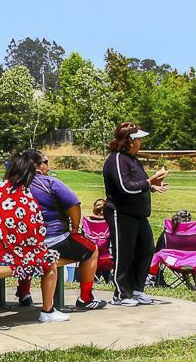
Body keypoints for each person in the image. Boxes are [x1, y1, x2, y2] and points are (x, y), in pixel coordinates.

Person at [0, 150, 68, 323]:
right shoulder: (23, 198)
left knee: (28, 254)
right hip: (3, 256)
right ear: (28, 174)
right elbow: (35, 235)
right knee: (49, 259)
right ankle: (48, 310)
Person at [26, 151, 105, 310]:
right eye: (45, 161)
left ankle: (23, 293)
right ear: (37, 165)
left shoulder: (16, 185)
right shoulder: (49, 182)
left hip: (24, 244)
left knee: (29, 251)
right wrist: (75, 228)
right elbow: (74, 204)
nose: (47, 165)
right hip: (53, 239)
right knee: (91, 250)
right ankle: (85, 298)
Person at [102, 122, 168, 306]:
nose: (141, 142)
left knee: (146, 250)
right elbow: (125, 187)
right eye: (138, 138)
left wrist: (152, 186)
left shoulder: (133, 159)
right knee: (124, 254)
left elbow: (137, 183)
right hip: (121, 213)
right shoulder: (116, 159)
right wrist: (148, 182)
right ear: (130, 141)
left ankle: (137, 290)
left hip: (137, 214)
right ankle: (121, 294)